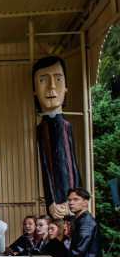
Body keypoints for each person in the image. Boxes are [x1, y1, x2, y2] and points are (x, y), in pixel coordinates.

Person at [33, 56, 83, 220]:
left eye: (58, 79)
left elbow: (72, 165)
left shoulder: (66, 126)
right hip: (56, 204)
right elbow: (46, 168)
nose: (52, 86)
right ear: (34, 90)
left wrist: (74, 201)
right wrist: (51, 202)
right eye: (42, 80)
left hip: (69, 206)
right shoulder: (42, 129)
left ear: (66, 88)